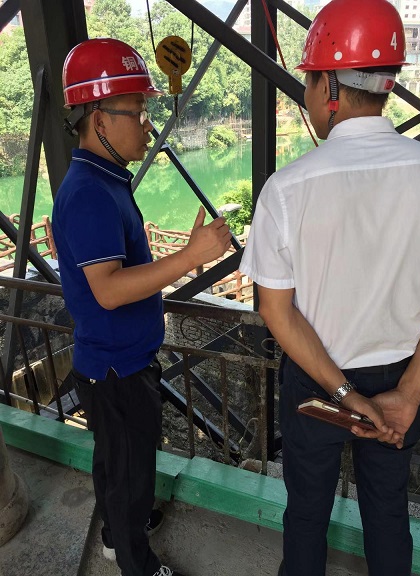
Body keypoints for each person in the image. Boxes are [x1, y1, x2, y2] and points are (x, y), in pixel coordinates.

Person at [239, 1, 420, 575]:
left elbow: (276, 311)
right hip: (404, 373)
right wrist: (408, 395)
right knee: (388, 514)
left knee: (306, 516)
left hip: (318, 385)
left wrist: (347, 396)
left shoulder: (288, 189)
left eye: (307, 81)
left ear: (328, 86)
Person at [52, 38, 231, 576]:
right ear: (100, 119)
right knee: (130, 471)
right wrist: (191, 256)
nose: (147, 125)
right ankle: (136, 562)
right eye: (138, 112)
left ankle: (117, 530)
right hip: (117, 368)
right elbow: (108, 290)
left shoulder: (103, 181)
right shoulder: (90, 192)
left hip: (111, 362)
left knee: (115, 462)